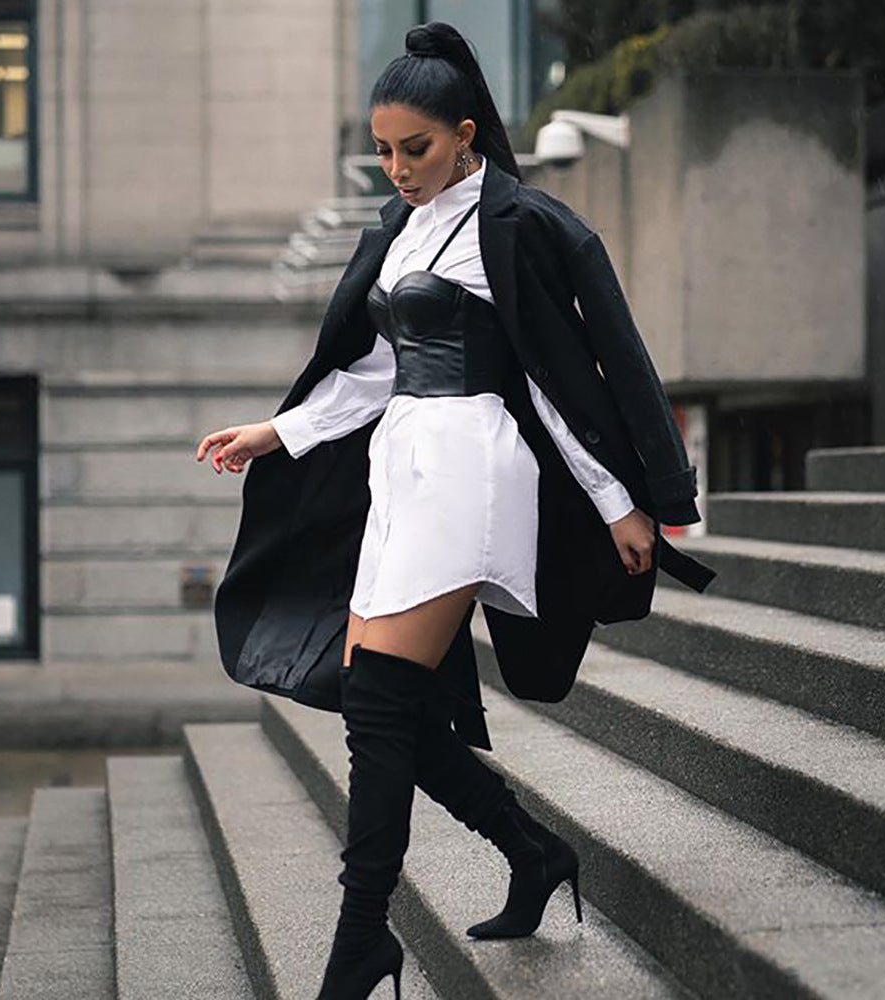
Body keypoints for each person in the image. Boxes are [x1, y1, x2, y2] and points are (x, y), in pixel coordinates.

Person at [196, 21, 715, 1000]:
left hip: (475, 468)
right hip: (402, 467)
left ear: (465, 133)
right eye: (383, 149)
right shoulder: (399, 229)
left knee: (383, 696)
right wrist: (277, 430)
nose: (395, 168)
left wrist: (625, 502)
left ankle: (359, 947)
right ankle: (528, 850)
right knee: (372, 696)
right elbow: (376, 370)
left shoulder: (520, 226)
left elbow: (569, 380)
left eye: (416, 148)